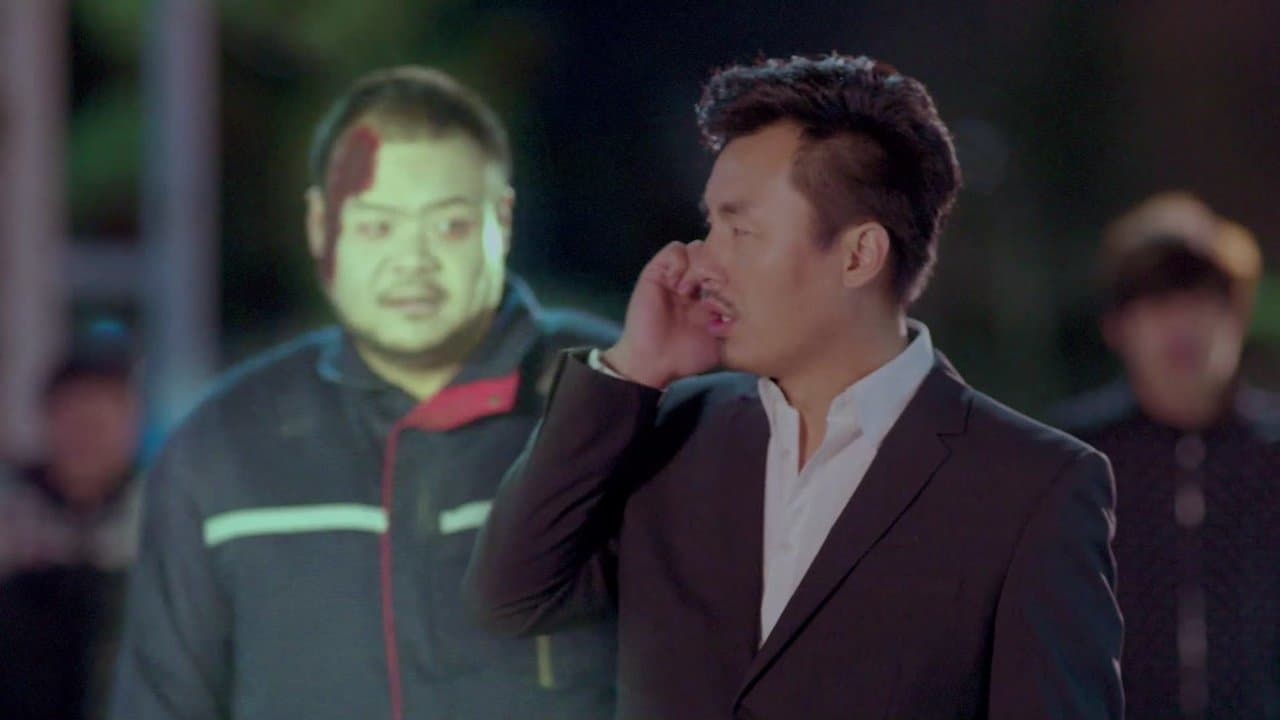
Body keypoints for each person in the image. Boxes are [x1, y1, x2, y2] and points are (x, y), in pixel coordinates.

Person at [466, 53, 1124, 719]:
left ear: (858, 255)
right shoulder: (672, 431)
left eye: (741, 231)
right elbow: (509, 599)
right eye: (710, 226)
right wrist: (633, 365)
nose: (699, 261)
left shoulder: (1033, 488)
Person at [110, 66, 618, 720]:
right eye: (377, 226)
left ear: (502, 219)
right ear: (321, 225)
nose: (413, 260)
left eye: (449, 225)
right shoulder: (223, 446)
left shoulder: (612, 401)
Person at [1050, 192, 1280, 719]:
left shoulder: (1271, 454)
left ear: (1237, 315)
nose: (1182, 324)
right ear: (1117, 326)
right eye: (1157, 301)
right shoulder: (1072, 460)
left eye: (1202, 298)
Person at [0, 322, 143, 720]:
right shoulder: (11, 513)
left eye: (102, 420)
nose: (87, 436)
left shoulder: (160, 515)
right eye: (75, 418)